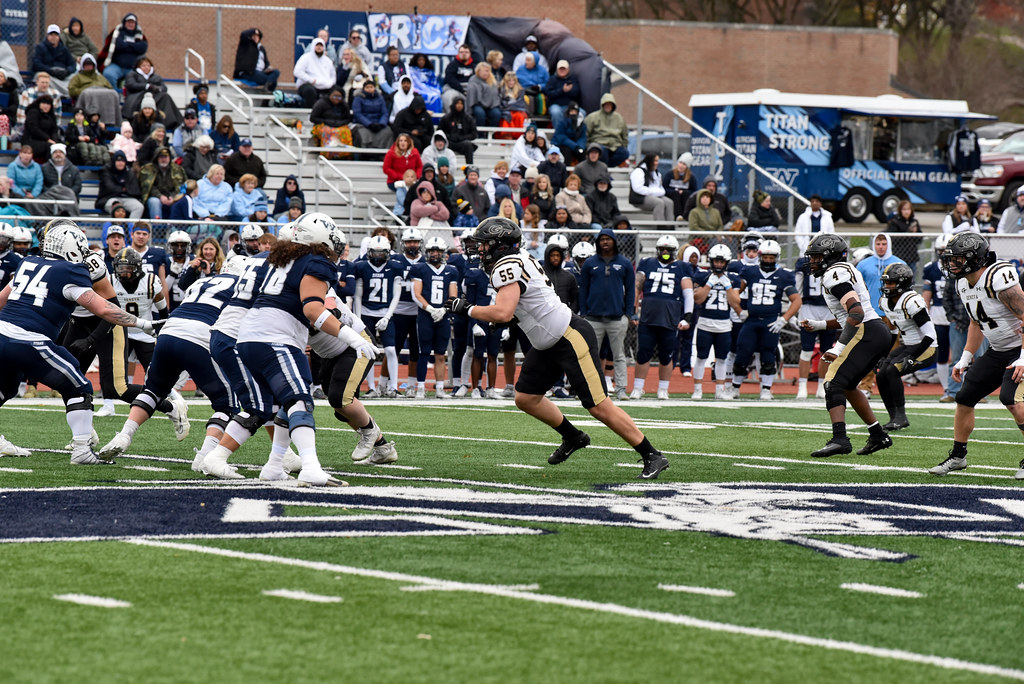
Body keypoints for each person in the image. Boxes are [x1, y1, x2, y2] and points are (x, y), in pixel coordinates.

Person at [447, 217, 669, 479]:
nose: (479, 249)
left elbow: (504, 311)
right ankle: (573, 436)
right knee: (526, 398)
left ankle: (651, 454)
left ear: (500, 246)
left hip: (568, 336)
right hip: (547, 341)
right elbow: (523, 304)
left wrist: (468, 308)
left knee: (598, 405)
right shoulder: (516, 259)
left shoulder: (507, 265)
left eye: (484, 245)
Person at [0, 223, 158, 463]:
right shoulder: (71, 271)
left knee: (7, 387)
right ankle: (83, 449)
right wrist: (141, 323)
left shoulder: (27, 263)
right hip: (28, 338)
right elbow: (103, 308)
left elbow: (2, 299)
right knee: (80, 387)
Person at [96, 257, 245, 468]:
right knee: (227, 404)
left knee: (152, 391)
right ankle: (204, 456)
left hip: (169, 332)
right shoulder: (244, 286)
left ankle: (124, 435)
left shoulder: (202, 282)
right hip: (200, 337)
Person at [928, 233, 1024, 479]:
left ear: (975, 259)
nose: (952, 264)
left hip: (1019, 348)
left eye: (958, 258)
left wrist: (1023, 356)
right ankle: (958, 456)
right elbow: (975, 322)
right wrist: (966, 357)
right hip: (999, 350)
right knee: (965, 396)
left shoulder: (997, 277)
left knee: (1011, 399)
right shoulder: (962, 283)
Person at [800, 233, 894, 458]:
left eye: (816, 257)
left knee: (832, 382)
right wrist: (820, 324)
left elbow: (856, 312)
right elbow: (848, 315)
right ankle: (878, 434)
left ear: (829, 256)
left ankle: (840, 439)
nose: (812, 261)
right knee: (848, 385)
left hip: (866, 332)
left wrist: (838, 348)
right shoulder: (843, 270)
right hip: (876, 331)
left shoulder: (835, 274)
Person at [726, 240, 801, 400]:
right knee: (742, 353)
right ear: (760, 257)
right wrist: (740, 311)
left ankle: (766, 389)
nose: (767, 260)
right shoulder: (750, 272)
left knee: (768, 355)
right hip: (751, 320)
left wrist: (784, 319)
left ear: (777, 257)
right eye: (765, 257)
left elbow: (797, 300)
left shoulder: (784, 275)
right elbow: (732, 293)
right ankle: (735, 388)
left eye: (770, 257)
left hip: (771, 321)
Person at [874, 263, 937, 431]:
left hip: (927, 348)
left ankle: (901, 417)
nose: (887, 287)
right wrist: (883, 354)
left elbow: (930, 335)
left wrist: (911, 356)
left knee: (893, 370)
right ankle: (893, 416)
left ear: (902, 283)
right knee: (881, 375)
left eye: (891, 283)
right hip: (908, 345)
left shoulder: (912, 301)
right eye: (886, 283)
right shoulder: (886, 302)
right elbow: (893, 331)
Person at [630, 235, 693, 400]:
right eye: (662, 249)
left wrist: (687, 316)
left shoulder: (682, 267)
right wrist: (633, 310)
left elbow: (688, 294)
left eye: (668, 250)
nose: (665, 252)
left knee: (667, 355)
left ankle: (663, 389)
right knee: (643, 353)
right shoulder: (647, 263)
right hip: (649, 316)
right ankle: (638, 387)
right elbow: (637, 288)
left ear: (674, 251)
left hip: (670, 317)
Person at [579, 227, 634, 400]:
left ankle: (621, 389)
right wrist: (584, 313)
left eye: (608, 239)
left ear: (614, 241)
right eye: (602, 239)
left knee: (618, 356)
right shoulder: (589, 263)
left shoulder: (624, 263)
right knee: (590, 356)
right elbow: (584, 289)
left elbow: (631, 289)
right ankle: (590, 389)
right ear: (597, 242)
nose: (605, 242)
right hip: (593, 318)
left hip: (616, 318)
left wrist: (628, 314)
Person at [353, 234, 403, 398]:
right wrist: (358, 319)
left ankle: (393, 387)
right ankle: (372, 388)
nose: (378, 256)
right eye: (375, 252)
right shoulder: (361, 267)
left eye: (381, 253)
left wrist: (387, 317)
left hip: (385, 314)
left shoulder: (395, 267)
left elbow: (397, 295)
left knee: (390, 350)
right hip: (366, 313)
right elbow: (358, 296)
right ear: (369, 252)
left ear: (388, 253)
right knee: (368, 351)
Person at [691, 244, 742, 399]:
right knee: (701, 357)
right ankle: (698, 389)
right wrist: (709, 284)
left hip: (724, 324)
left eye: (721, 262)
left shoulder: (732, 278)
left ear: (726, 262)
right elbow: (698, 299)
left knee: (722, 359)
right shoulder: (702, 276)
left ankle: (719, 390)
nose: (718, 265)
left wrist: (727, 286)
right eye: (716, 261)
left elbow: (736, 302)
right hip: (705, 322)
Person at [409, 237, 458, 397]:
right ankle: (421, 387)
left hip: (442, 317)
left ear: (443, 253)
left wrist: (444, 310)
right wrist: (431, 309)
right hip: (425, 316)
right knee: (424, 352)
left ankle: (439, 388)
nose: (435, 254)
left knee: (440, 354)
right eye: (432, 251)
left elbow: (453, 296)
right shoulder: (420, 268)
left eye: (437, 251)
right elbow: (416, 294)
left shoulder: (451, 270)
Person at [124, 56, 182, 130]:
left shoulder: (156, 76)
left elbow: (164, 87)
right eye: (143, 65)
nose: (146, 67)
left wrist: (158, 89)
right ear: (139, 67)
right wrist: (146, 86)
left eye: (148, 65)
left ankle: (172, 121)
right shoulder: (132, 74)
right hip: (138, 98)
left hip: (153, 98)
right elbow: (131, 85)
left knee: (165, 96)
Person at [856, 233, 905, 315]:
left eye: (884, 244)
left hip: (893, 310)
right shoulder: (862, 265)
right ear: (874, 245)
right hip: (869, 309)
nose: (881, 247)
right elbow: (856, 285)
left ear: (889, 245)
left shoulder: (899, 264)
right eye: (878, 244)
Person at [99, 13, 148, 87]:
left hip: (133, 68)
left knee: (139, 79)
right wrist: (134, 47)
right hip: (117, 66)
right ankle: (114, 95)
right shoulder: (117, 33)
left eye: (132, 22)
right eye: (128, 22)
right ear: (124, 23)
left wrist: (127, 45)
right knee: (108, 74)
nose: (130, 24)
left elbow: (143, 47)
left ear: (135, 24)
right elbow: (119, 45)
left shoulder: (140, 35)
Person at [584, 94, 629, 168]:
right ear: (602, 105)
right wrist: (588, 146)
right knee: (602, 152)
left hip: (615, 145)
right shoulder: (592, 117)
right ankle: (604, 170)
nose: (608, 106)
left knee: (624, 153)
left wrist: (624, 145)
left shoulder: (619, 118)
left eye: (610, 104)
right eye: (606, 104)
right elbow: (586, 133)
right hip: (599, 143)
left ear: (613, 105)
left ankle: (605, 168)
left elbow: (624, 135)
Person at [30, 24, 76, 95]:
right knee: (44, 80)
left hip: (62, 74)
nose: (53, 37)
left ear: (59, 37)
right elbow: (36, 63)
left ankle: (64, 93)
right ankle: (66, 93)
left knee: (74, 77)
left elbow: (72, 64)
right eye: (51, 35)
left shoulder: (64, 49)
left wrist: (67, 71)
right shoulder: (40, 48)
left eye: (56, 35)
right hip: (47, 74)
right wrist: (50, 71)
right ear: (47, 36)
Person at [96, 150, 143, 218]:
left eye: (122, 161)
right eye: (118, 161)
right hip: (109, 198)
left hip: (127, 197)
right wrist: (123, 189)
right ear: (114, 161)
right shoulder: (106, 171)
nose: (120, 163)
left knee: (139, 207)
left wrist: (124, 190)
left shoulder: (129, 172)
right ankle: (115, 228)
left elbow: (134, 188)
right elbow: (110, 187)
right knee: (118, 208)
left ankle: (130, 227)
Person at [351, 79, 394, 150]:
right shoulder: (358, 98)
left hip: (378, 123)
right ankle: (365, 154)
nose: (369, 89)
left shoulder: (380, 98)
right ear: (364, 89)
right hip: (363, 124)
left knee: (388, 132)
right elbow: (358, 114)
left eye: (371, 87)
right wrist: (369, 124)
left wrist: (381, 123)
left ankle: (383, 155)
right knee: (363, 134)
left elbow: (384, 113)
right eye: (367, 87)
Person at [629, 154, 673, 223]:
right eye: (655, 161)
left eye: (658, 161)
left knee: (669, 202)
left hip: (653, 195)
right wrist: (653, 192)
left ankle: (670, 227)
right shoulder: (639, 171)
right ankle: (660, 228)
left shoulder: (656, 173)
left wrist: (659, 192)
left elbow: (658, 186)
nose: (657, 163)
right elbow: (637, 188)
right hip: (640, 198)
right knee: (659, 203)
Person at [233, 28, 279, 92]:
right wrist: (254, 30)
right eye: (254, 36)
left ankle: (267, 89)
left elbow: (266, 62)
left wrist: (268, 68)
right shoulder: (246, 45)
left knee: (276, 72)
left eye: (257, 36)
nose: (256, 38)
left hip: (261, 72)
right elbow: (243, 34)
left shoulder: (261, 48)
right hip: (249, 72)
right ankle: (266, 87)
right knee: (272, 81)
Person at [294, 37, 336, 108]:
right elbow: (297, 72)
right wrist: (311, 80)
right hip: (308, 84)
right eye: (317, 45)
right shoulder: (305, 58)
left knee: (338, 91)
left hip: (325, 85)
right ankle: (309, 113)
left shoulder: (328, 61)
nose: (319, 47)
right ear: (313, 46)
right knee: (310, 91)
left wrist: (330, 83)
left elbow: (333, 75)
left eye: (321, 46)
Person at [40, 143, 82, 215]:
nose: (58, 154)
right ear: (52, 154)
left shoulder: (73, 169)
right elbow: (42, 184)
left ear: (64, 154)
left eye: (60, 152)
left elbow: (77, 185)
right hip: (51, 197)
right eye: (55, 152)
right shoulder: (44, 168)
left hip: (69, 197)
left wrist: (68, 193)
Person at [439, 93, 477, 165]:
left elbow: (474, 134)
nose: (459, 105)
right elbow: (440, 132)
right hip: (449, 142)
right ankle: (443, 167)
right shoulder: (446, 118)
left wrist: (462, 137)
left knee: (468, 145)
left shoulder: (468, 119)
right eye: (457, 103)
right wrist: (449, 136)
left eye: (461, 104)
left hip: (462, 142)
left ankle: (469, 167)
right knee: (441, 144)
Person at [22, 95, 61, 162]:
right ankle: (49, 167)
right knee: (50, 147)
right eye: (43, 103)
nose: (46, 106)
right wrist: (47, 139)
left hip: (48, 140)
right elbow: (34, 129)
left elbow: (54, 130)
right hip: (31, 140)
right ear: (39, 104)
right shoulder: (33, 112)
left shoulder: (51, 115)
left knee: (61, 145)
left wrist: (55, 140)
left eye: (48, 104)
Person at [544, 61, 581, 132]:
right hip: (556, 105)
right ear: (557, 70)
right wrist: (562, 90)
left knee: (582, 113)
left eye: (564, 69)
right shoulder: (552, 79)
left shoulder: (573, 79)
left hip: (570, 106)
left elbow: (576, 93)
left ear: (568, 70)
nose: (562, 71)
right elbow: (549, 94)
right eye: (560, 69)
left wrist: (568, 91)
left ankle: (575, 133)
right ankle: (559, 133)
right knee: (556, 112)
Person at [886, 199, 923, 270]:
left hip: (912, 257)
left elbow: (919, 240)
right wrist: (908, 232)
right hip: (899, 257)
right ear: (900, 210)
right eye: (904, 209)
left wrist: (916, 233)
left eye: (908, 209)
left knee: (912, 278)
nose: (906, 212)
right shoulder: (895, 222)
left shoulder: (914, 222)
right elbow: (892, 239)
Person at [663, 152, 697, 221]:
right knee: (676, 195)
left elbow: (694, 191)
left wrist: (684, 192)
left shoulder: (691, 177)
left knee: (685, 194)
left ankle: (685, 215)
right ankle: (678, 215)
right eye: (680, 163)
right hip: (672, 196)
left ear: (687, 167)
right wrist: (675, 191)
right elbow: (664, 188)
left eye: (684, 164)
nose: (681, 166)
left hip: (684, 198)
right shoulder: (670, 174)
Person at [466, 63, 500, 128]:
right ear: (478, 71)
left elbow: (495, 95)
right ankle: (480, 134)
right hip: (477, 103)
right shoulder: (473, 80)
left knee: (497, 114)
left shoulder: (492, 81)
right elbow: (471, 97)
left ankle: (490, 133)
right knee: (480, 114)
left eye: (488, 71)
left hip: (491, 105)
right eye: (484, 71)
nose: (486, 73)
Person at [442, 44, 475, 114]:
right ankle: (451, 118)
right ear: (458, 53)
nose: (464, 54)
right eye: (461, 52)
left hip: (469, 89)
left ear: (470, 54)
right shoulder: (452, 65)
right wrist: (460, 88)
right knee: (450, 97)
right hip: (453, 88)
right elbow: (449, 78)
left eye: (466, 52)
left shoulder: (474, 66)